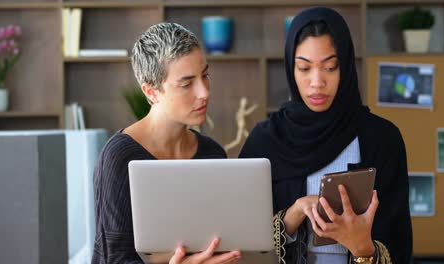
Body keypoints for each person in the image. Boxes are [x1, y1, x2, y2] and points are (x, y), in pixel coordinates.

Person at [239, 7, 412, 264]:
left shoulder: (382, 139)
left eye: (330, 67)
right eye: (304, 68)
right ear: (290, 68)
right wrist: (293, 215)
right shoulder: (265, 140)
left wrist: (363, 248)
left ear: (346, 67)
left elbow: (399, 246)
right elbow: (241, 238)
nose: (317, 81)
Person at [92, 22, 241, 264]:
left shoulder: (211, 153)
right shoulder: (120, 157)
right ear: (151, 92)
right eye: (186, 84)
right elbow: (116, 259)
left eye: (205, 75)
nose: (204, 92)